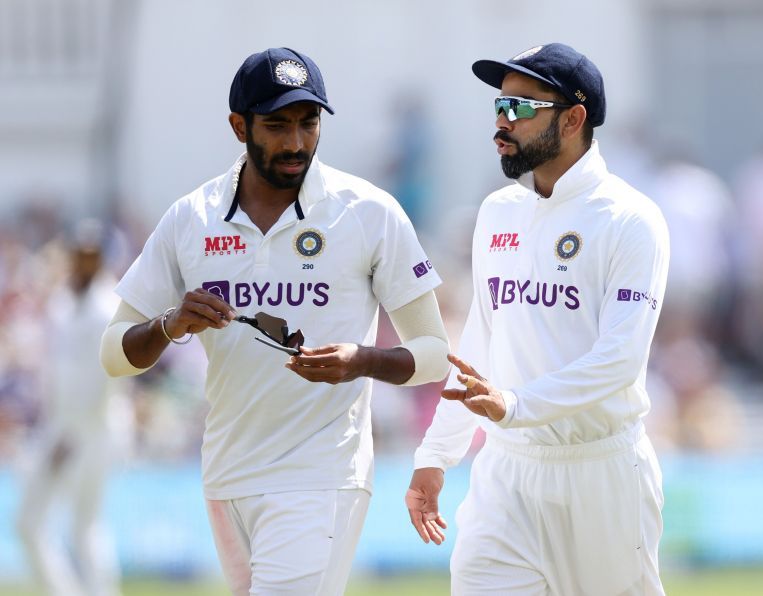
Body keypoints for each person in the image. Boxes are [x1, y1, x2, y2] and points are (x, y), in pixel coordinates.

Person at [99, 47, 449, 595]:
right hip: (226, 473)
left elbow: (433, 354)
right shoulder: (191, 217)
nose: (295, 142)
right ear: (239, 126)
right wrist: (169, 324)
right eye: (277, 125)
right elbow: (114, 354)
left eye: (308, 124)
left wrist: (361, 361)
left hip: (321, 474)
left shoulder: (368, 212)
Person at [406, 43, 670, 595]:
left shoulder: (630, 219)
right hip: (506, 473)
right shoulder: (497, 211)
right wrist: (437, 454)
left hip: (599, 474)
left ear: (574, 118)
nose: (504, 120)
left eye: (523, 108)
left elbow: (619, 360)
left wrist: (516, 405)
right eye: (500, 106)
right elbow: (478, 341)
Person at [17, 219, 131, 596]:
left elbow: (107, 380)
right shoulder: (62, 302)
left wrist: (71, 433)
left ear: (102, 258)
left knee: (84, 525)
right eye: (78, 254)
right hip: (60, 425)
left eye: (91, 255)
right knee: (31, 524)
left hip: (92, 430)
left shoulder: (107, 307)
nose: (83, 262)